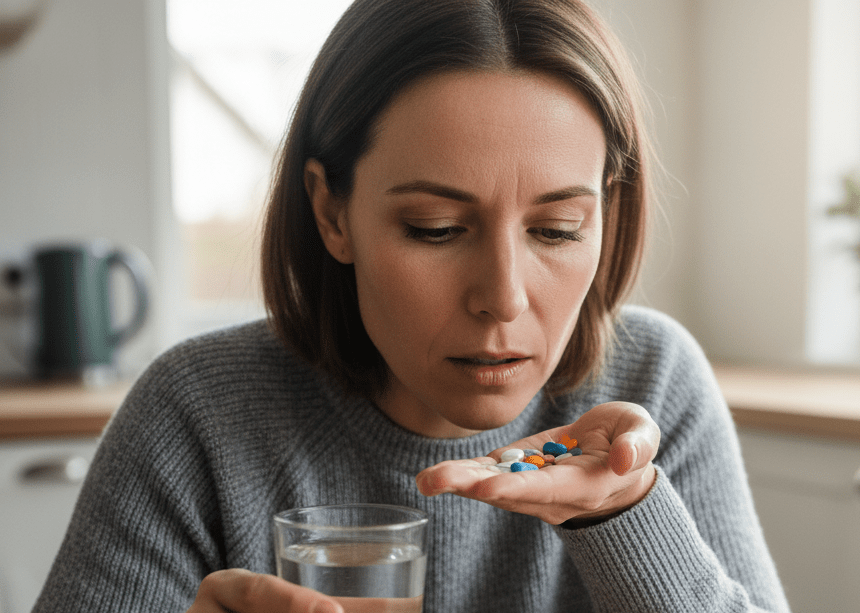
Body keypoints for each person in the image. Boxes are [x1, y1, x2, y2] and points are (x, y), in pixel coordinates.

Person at [33, 0, 790, 612]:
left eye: (557, 230)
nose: (502, 296)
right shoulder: (196, 415)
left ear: (607, 215)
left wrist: (626, 513)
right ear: (332, 213)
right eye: (436, 228)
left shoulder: (654, 386)